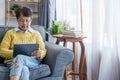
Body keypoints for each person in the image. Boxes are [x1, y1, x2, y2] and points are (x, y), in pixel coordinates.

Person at [0, 6, 46, 80]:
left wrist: (40, 54)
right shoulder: (10, 33)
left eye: (27, 20)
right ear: (17, 20)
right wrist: (16, 53)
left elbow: (43, 50)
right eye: (21, 20)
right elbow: (2, 51)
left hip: (32, 61)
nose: (24, 23)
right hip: (12, 62)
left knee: (20, 57)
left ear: (31, 20)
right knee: (24, 69)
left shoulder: (36, 34)